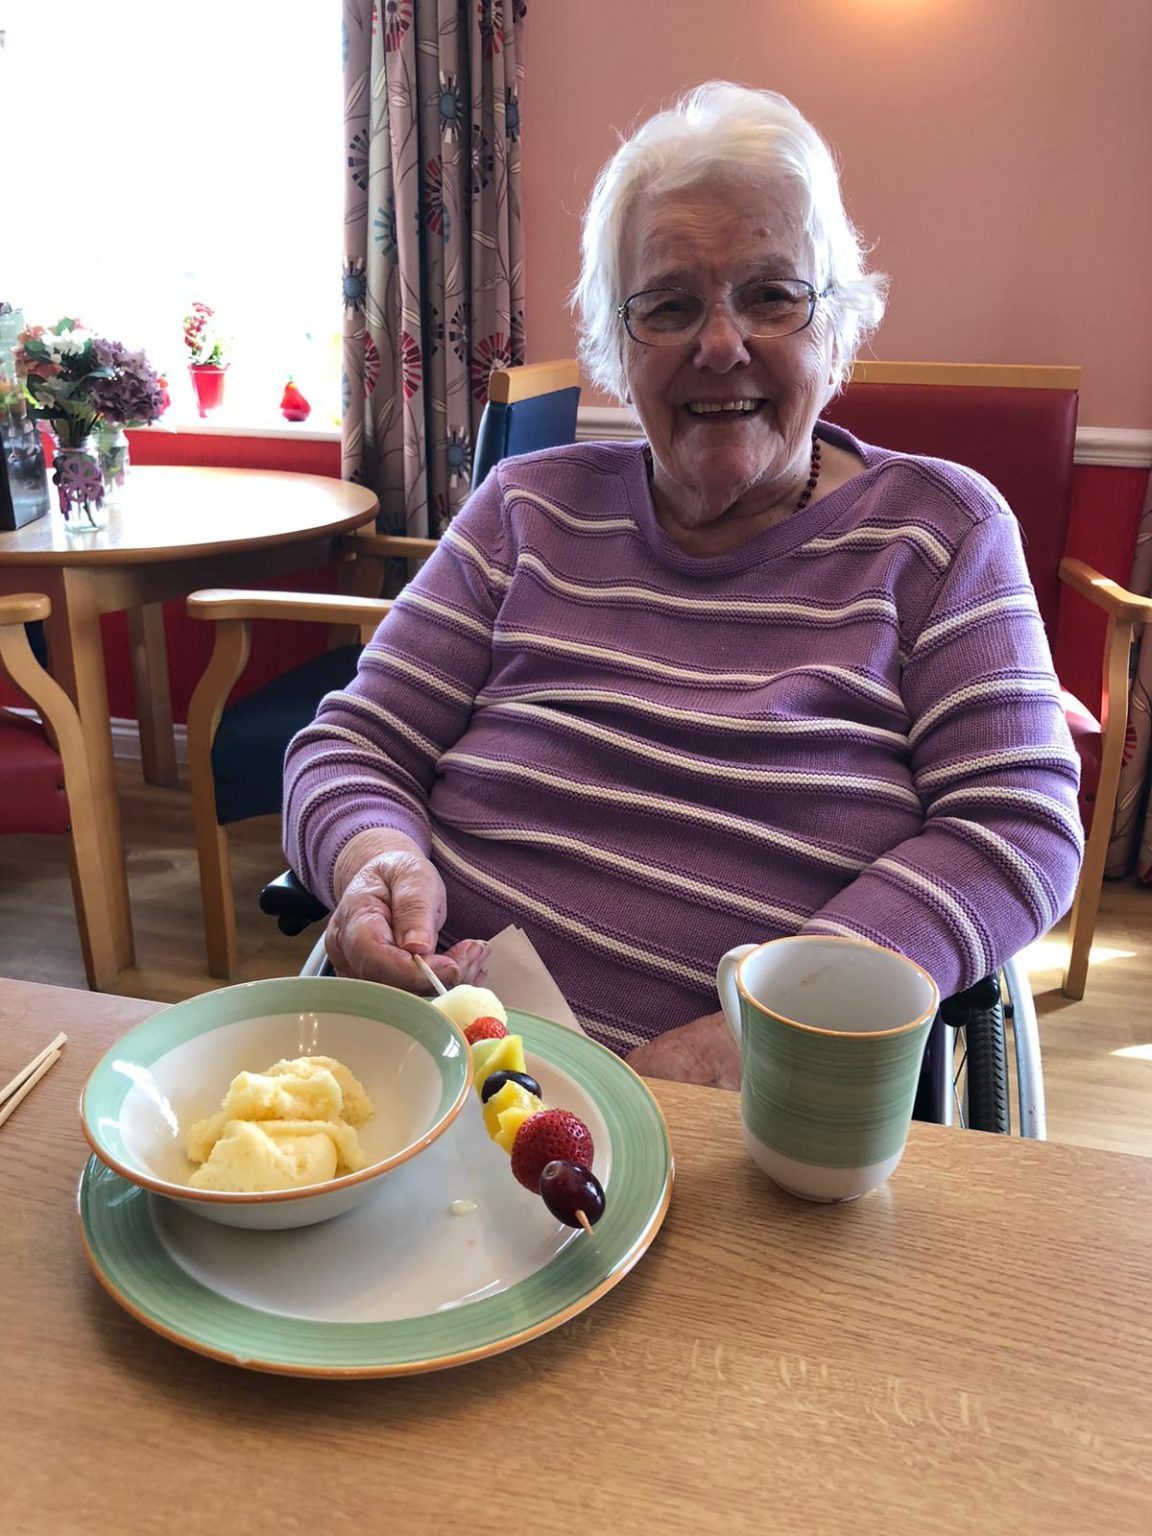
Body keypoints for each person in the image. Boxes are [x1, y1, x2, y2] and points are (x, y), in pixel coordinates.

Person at [284, 82, 1082, 1088]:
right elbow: (354, 745)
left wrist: (773, 1021)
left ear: (838, 326)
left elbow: (1016, 825)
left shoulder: (941, 533)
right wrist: (374, 863)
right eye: (667, 305)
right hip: (442, 1072)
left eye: (771, 295)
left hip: (752, 1118)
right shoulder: (525, 509)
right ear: (617, 348)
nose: (719, 344)